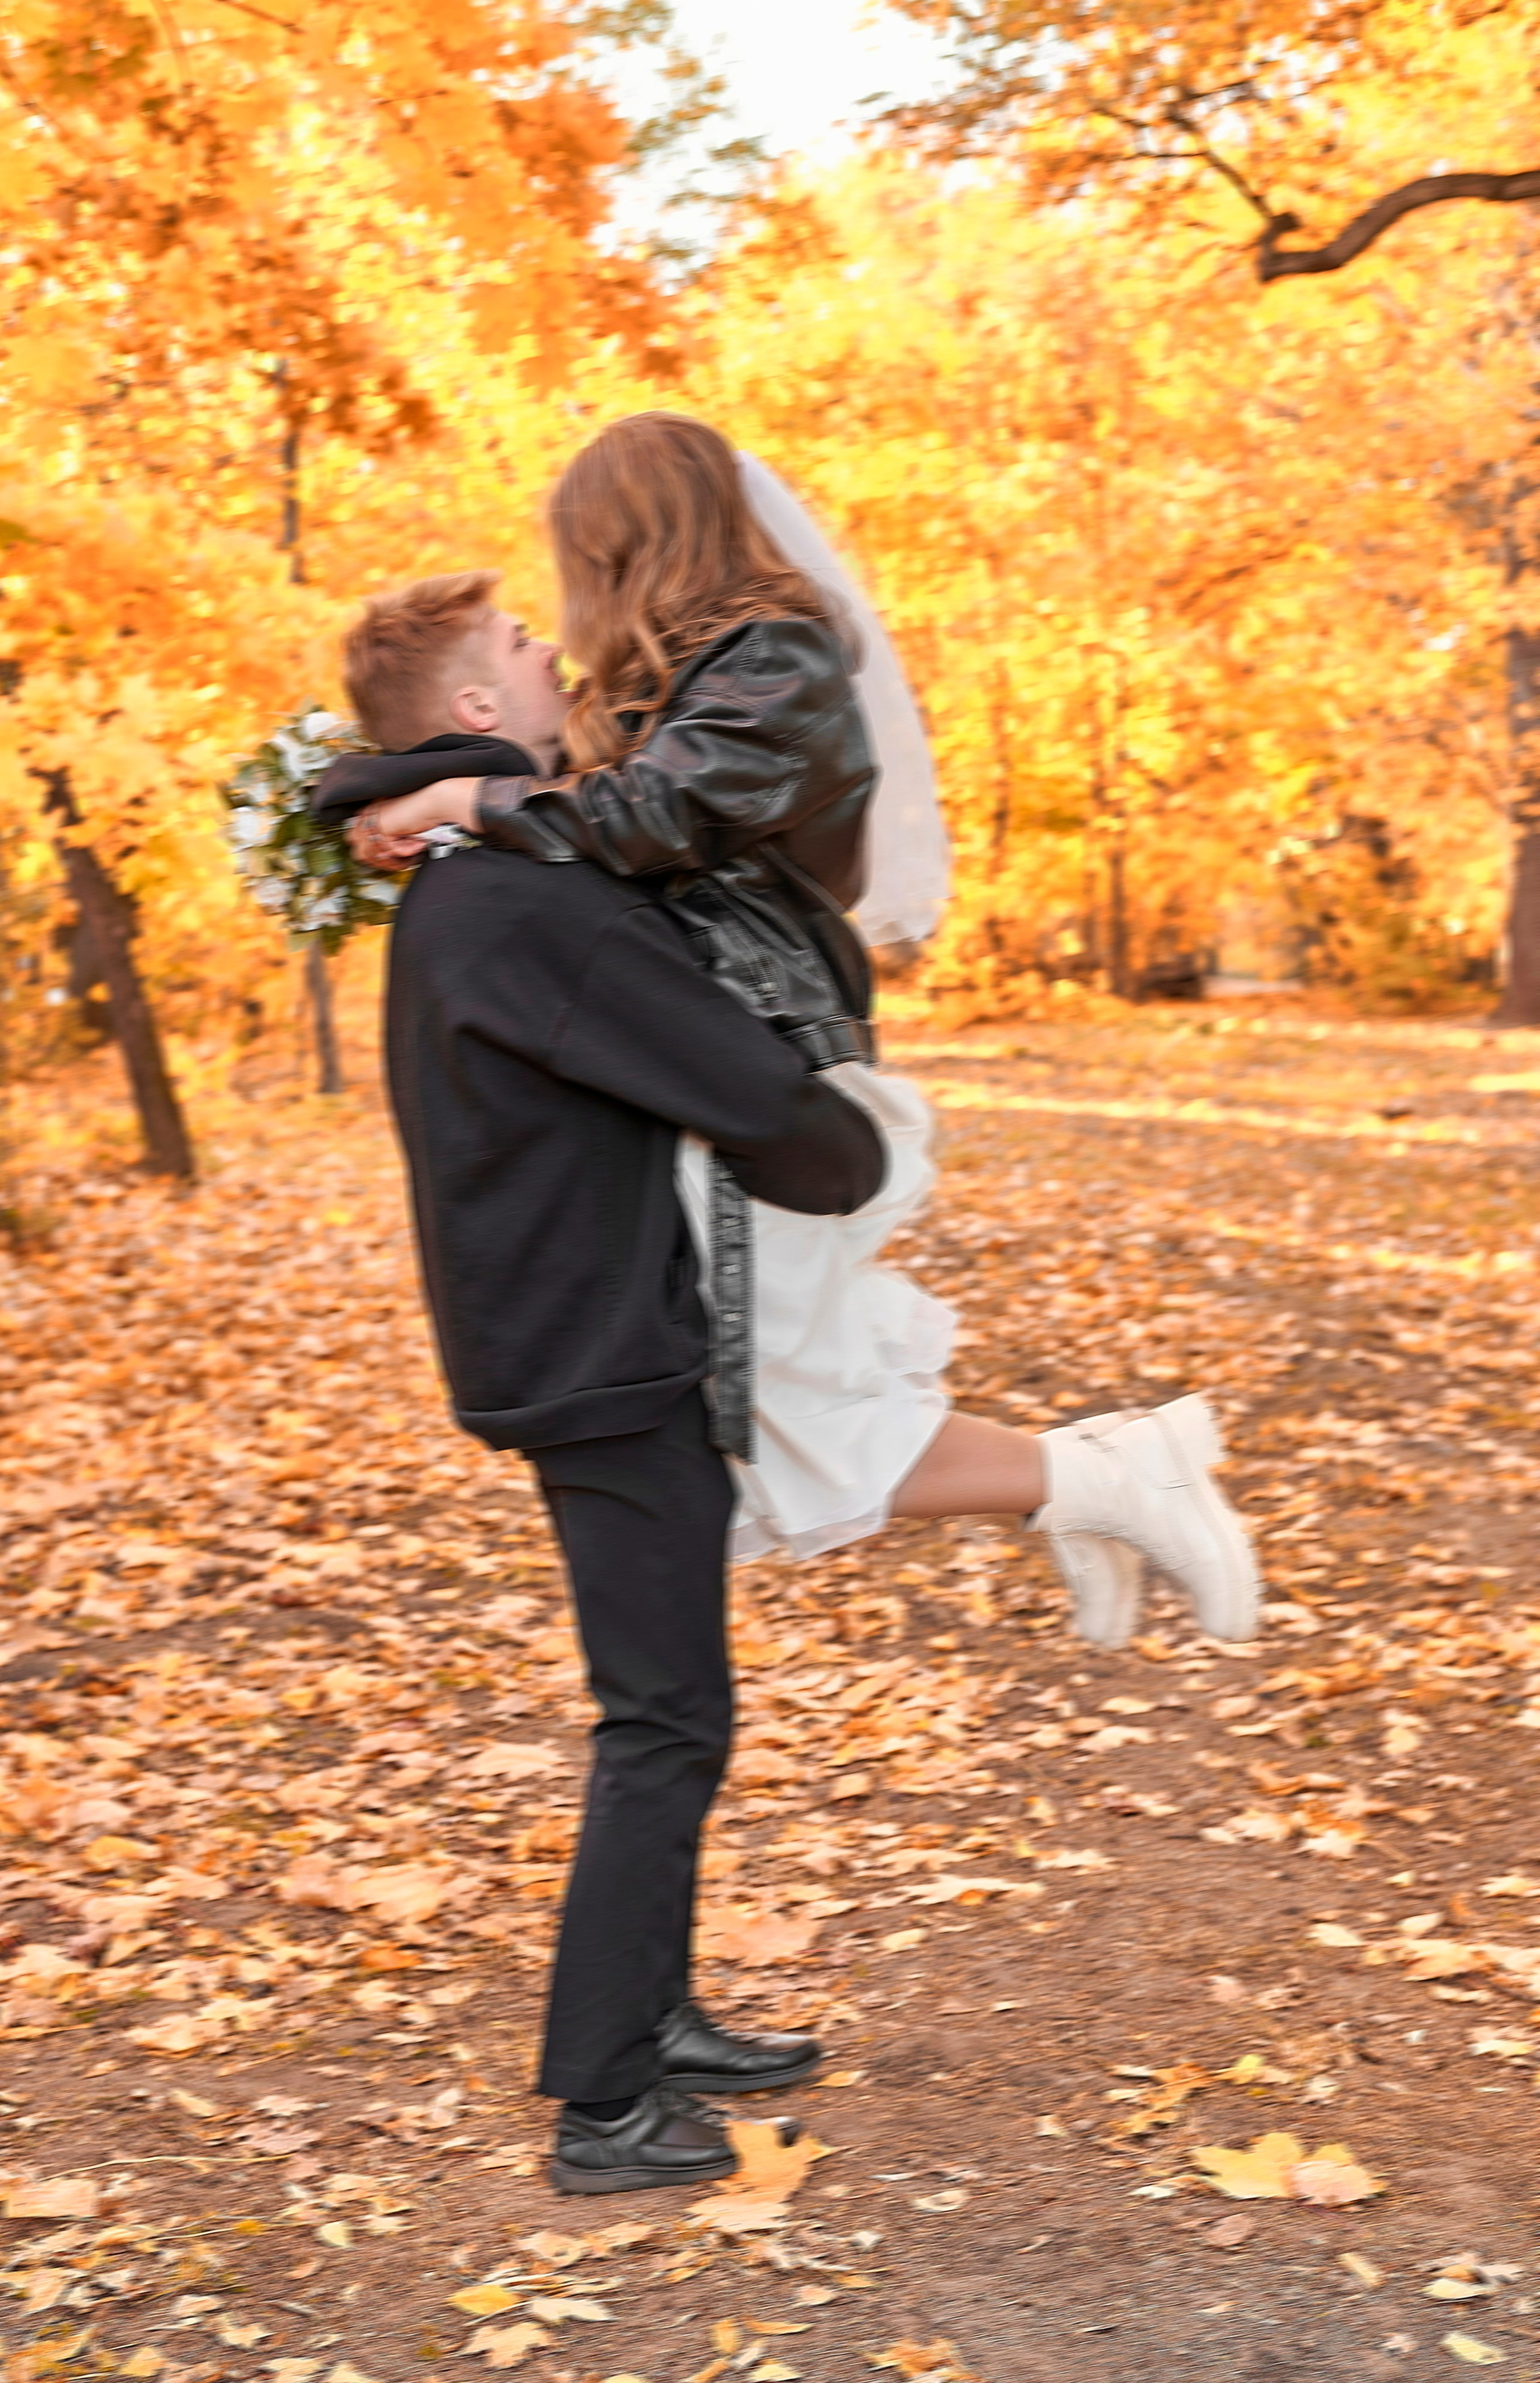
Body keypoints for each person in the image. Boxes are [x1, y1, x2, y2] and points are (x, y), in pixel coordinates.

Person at [342, 413, 1260, 1654]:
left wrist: (466, 792)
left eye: (577, 561)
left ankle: (1103, 1481)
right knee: (784, 1410)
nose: (562, 610)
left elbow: (648, 812)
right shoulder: (701, 673)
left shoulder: (775, 661)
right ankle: (1094, 1478)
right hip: (722, 1048)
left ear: (631, 539)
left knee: (783, 1413)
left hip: (770, 1050)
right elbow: (601, 808)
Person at [334, 568, 889, 2193]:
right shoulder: (518, 901)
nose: (551, 655)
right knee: (664, 1722)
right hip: (592, 1353)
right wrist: (843, 1143)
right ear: (472, 715)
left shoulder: (469, 874)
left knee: (670, 1709)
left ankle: (657, 2019)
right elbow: (723, 1075)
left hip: (563, 1330)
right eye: (520, 649)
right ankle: (601, 2103)